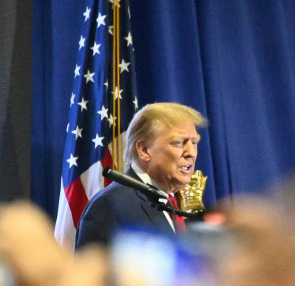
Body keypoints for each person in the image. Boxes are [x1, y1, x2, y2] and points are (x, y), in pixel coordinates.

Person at [75, 102, 207, 249]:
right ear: (144, 150)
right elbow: (95, 271)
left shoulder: (167, 202)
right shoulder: (110, 206)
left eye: (194, 143)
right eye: (178, 142)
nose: (191, 153)